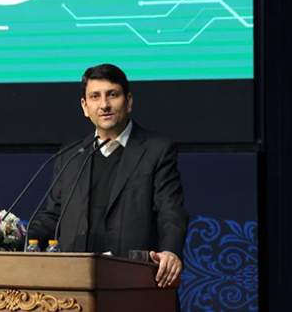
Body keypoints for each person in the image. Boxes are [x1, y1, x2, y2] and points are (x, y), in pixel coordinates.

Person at [28, 63, 188, 288]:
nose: (104, 105)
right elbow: (53, 216)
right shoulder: (70, 155)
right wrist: (8, 237)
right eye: (95, 96)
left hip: (134, 283)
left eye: (112, 95)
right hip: (75, 284)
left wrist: (170, 251)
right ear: (85, 106)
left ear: (128, 101)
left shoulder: (157, 150)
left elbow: (170, 212)